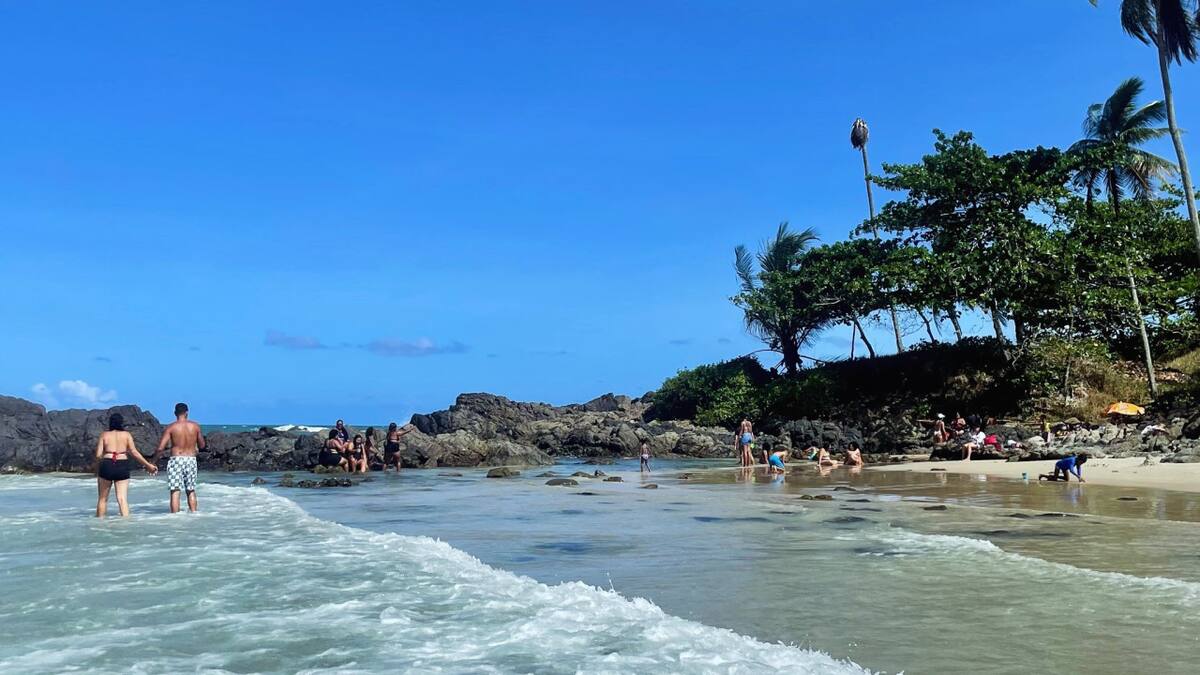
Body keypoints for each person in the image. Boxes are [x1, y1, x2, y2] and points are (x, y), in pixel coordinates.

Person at [94, 413, 158, 518]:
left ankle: (99, 525)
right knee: (122, 499)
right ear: (121, 423)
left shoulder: (104, 435)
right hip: (122, 465)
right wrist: (148, 465)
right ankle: (126, 524)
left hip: (107, 464)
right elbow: (134, 453)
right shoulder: (127, 435)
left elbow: (98, 455)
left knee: (102, 499)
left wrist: (97, 468)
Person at [155, 402, 205, 514]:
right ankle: (194, 514)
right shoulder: (195, 426)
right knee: (191, 490)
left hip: (176, 460)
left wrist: (153, 461)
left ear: (175, 413)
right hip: (191, 459)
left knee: (175, 491)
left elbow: (160, 448)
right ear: (187, 413)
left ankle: (175, 518)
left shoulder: (171, 427)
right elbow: (202, 445)